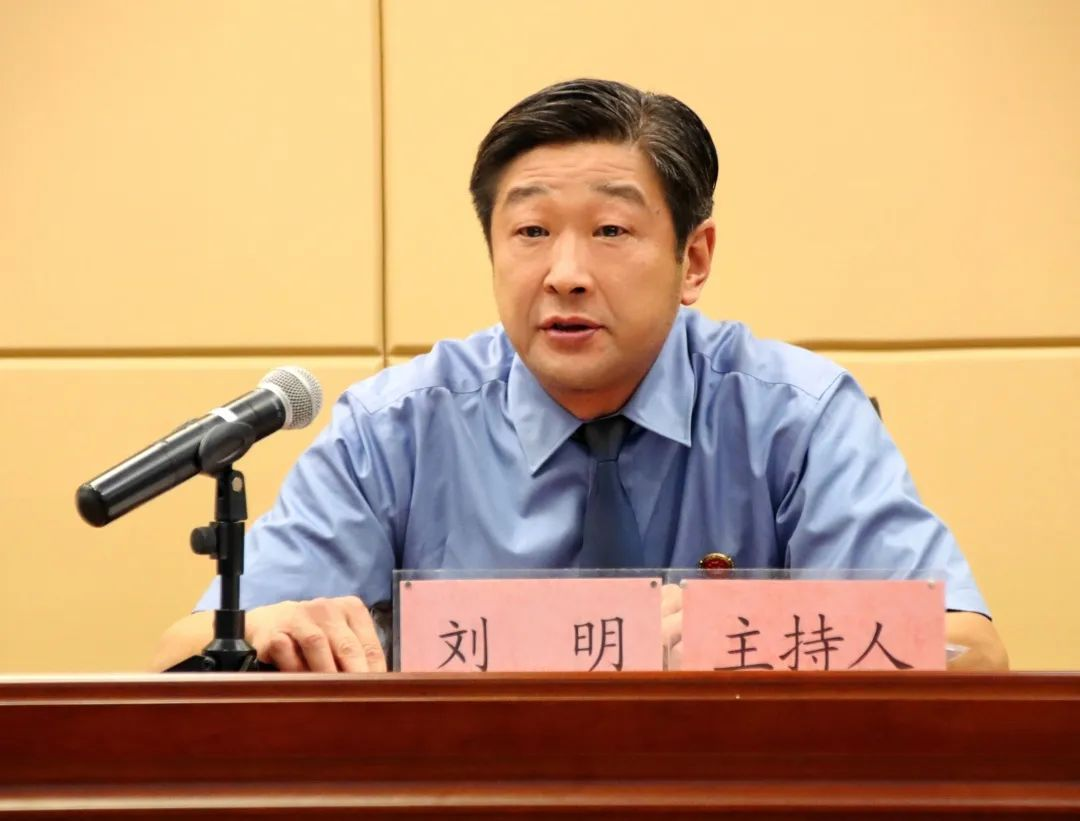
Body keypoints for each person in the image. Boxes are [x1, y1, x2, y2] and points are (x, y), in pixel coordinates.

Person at [152, 79, 1008, 673]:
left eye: (610, 231)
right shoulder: (395, 428)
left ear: (693, 258)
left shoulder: (797, 417)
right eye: (531, 232)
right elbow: (177, 653)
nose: (565, 273)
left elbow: (971, 652)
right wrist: (269, 624)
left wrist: (738, 635)